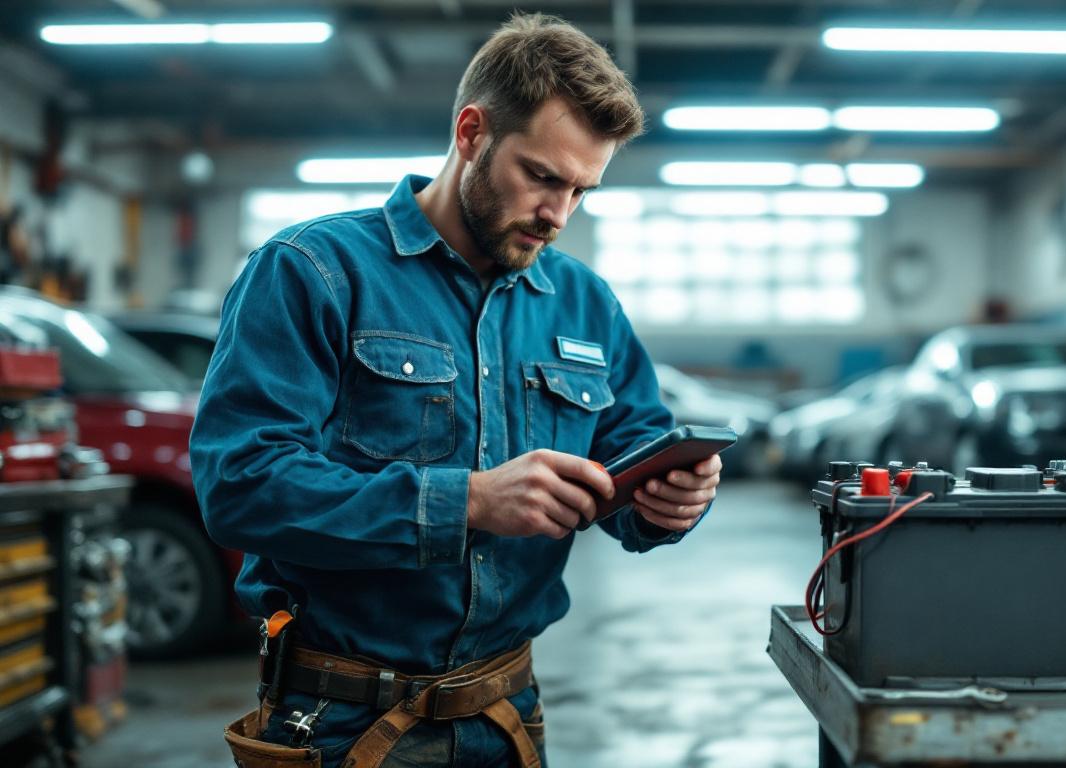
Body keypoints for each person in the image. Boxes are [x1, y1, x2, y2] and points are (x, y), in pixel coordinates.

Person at [190, 14, 723, 768]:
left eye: (581, 189)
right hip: (340, 721)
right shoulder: (312, 271)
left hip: (508, 715)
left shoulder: (584, 303)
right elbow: (240, 487)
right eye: (541, 176)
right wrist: (467, 501)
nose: (558, 214)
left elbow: (631, 462)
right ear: (472, 132)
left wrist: (669, 502)